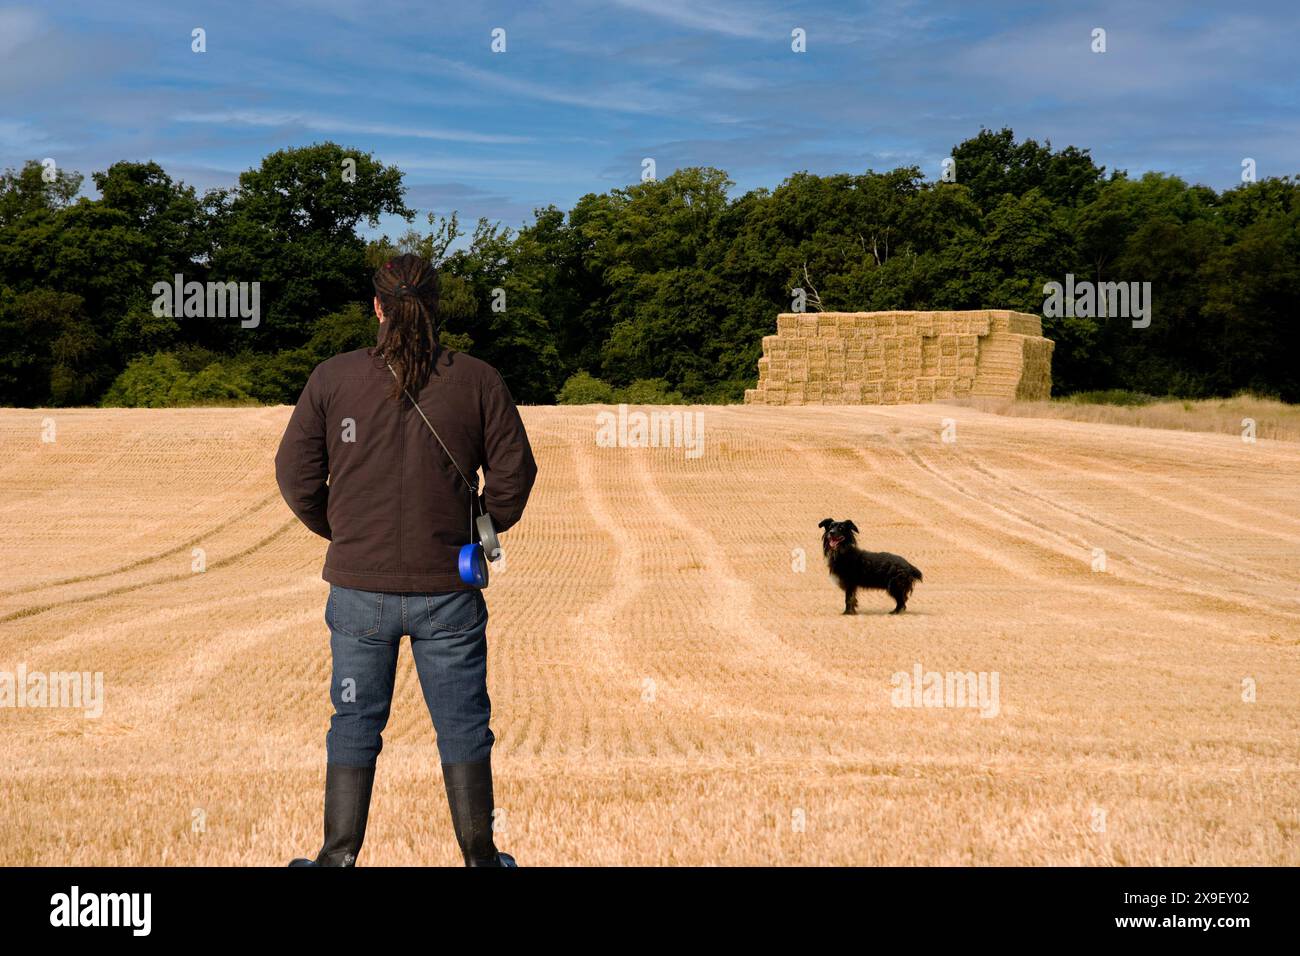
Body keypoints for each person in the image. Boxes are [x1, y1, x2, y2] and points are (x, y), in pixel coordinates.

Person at [275, 253, 537, 866]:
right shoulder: (478, 379)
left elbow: (295, 475)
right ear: (437, 306)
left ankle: (336, 859)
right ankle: (481, 859)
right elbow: (514, 475)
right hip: (449, 589)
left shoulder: (332, 378)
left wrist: (338, 531)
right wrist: (479, 530)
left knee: (353, 724)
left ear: (377, 306)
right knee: (465, 727)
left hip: (357, 592)